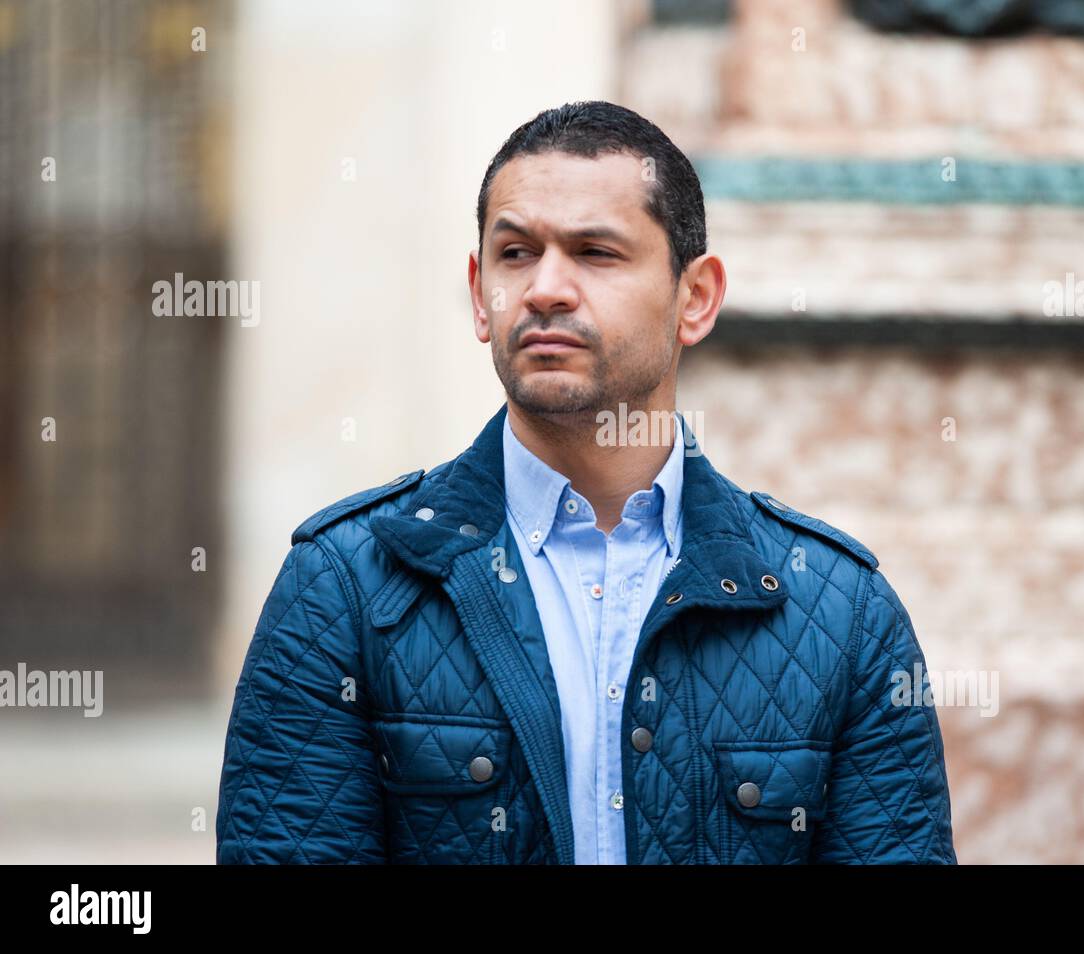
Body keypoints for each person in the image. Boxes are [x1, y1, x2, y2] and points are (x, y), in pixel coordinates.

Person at [215, 100, 956, 864]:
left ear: (694, 298)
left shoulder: (843, 613)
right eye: (515, 254)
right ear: (479, 295)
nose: (545, 289)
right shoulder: (343, 586)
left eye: (596, 253)